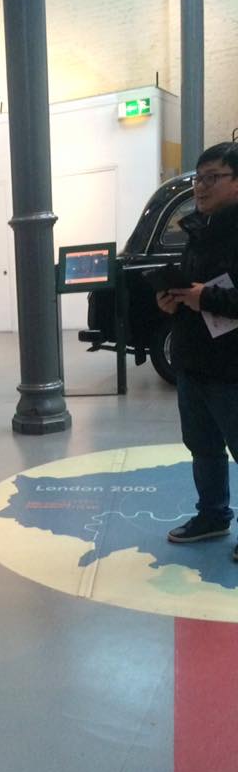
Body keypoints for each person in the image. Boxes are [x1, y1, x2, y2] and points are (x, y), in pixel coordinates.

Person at [156, 142, 238, 553]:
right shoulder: (198, 230)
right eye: (198, 178)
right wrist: (171, 300)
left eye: (212, 178)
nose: (200, 187)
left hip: (232, 368)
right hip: (193, 362)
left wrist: (204, 296)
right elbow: (192, 287)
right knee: (203, 447)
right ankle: (212, 516)